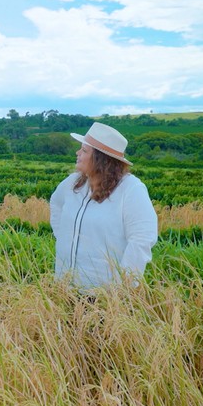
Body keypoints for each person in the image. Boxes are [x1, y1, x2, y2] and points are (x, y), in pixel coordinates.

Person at [49, 122, 158, 294]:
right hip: (63, 288)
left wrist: (123, 288)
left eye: (84, 151)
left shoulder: (131, 189)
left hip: (104, 295)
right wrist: (64, 237)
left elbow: (142, 239)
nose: (78, 153)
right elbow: (56, 204)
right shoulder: (72, 183)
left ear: (101, 160)